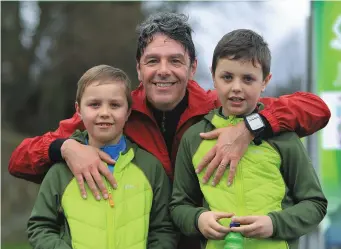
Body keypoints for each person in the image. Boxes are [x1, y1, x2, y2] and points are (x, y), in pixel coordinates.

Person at [10, 12, 330, 249]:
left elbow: (316, 109)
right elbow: (20, 160)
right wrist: (65, 148)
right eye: (153, 61)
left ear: (192, 68)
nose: (164, 71)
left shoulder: (216, 109)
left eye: (175, 61)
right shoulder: (116, 111)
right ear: (139, 68)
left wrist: (250, 127)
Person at [169, 29, 327, 249]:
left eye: (248, 79)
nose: (236, 88)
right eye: (227, 77)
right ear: (213, 75)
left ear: (265, 81)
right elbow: (179, 206)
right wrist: (198, 219)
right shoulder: (194, 138)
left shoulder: (284, 137)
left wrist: (274, 223)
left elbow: (315, 204)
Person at [27, 65, 176, 249]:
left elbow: (162, 229)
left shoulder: (150, 168)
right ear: (78, 109)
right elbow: (40, 226)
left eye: (115, 105)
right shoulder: (60, 171)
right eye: (94, 104)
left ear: (128, 111)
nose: (104, 113)